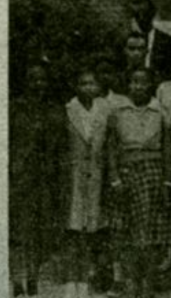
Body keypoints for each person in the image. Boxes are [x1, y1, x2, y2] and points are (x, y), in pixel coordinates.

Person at [107, 67, 171, 298]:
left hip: (152, 172)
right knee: (125, 229)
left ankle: (148, 282)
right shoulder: (118, 111)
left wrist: (167, 181)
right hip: (127, 172)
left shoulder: (160, 111)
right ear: (128, 85)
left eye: (143, 82)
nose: (138, 86)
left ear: (151, 85)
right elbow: (111, 147)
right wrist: (115, 178)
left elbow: (168, 149)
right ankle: (130, 281)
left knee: (150, 231)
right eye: (134, 82)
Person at [10, 63, 66, 297]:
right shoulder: (15, 108)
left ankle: (33, 278)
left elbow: (60, 145)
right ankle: (16, 280)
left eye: (42, 79)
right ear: (26, 81)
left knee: (39, 232)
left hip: (45, 178)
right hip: (20, 178)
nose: (38, 84)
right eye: (33, 79)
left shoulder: (54, 110)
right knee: (18, 231)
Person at [62, 68, 110, 298]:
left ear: (99, 87)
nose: (88, 88)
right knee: (73, 231)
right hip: (74, 176)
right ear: (76, 86)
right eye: (83, 83)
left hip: (97, 177)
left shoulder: (105, 109)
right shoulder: (68, 110)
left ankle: (84, 280)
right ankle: (71, 279)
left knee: (91, 231)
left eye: (92, 83)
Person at [130, 0, 171, 78]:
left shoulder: (169, 42)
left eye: (145, 14)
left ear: (153, 14)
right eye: (137, 15)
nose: (141, 18)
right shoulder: (128, 41)